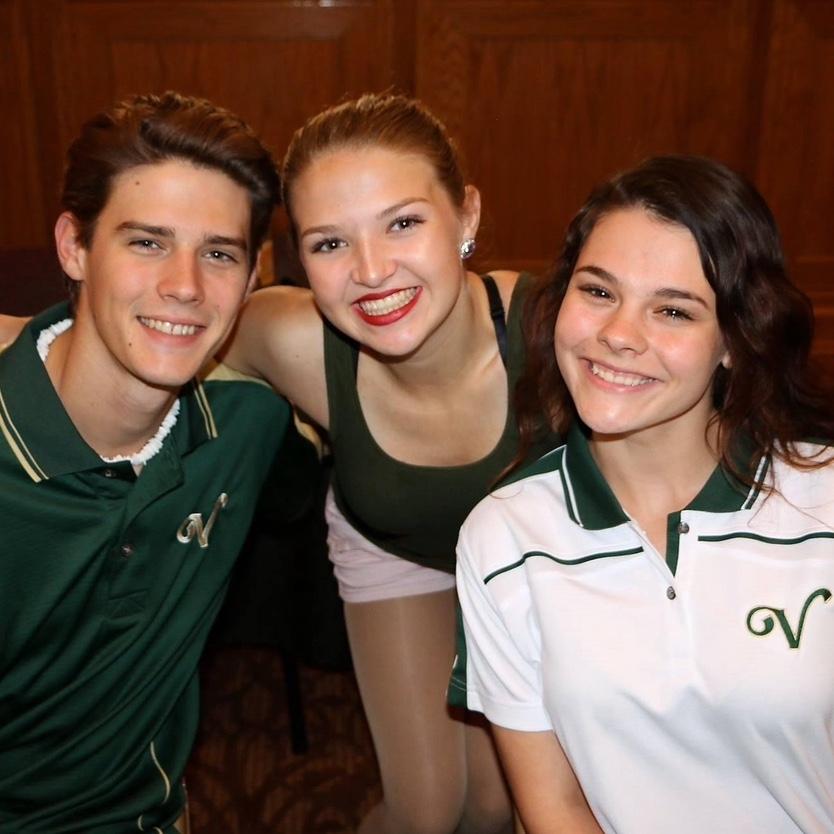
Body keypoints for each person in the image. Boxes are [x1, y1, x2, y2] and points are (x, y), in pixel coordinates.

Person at [453, 155, 834, 834]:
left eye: (673, 310)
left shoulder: (823, 500)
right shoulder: (504, 538)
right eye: (598, 291)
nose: (619, 336)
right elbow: (553, 809)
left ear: (734, 340)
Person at [224, 93, 556, 834]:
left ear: (466, 217)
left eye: (403, 223)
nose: (371, 271)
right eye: (329, 244)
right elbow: (154, 323)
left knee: (498, 808)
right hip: (395, 543)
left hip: (529, 565)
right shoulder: (290, 339)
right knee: (425, 812)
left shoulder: (554, 333)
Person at [0, 91, 294, 833]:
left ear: (252, 277)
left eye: (219, 253)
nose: (185, 286)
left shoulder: (244, 421)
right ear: (74, 247)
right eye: (147, 242)